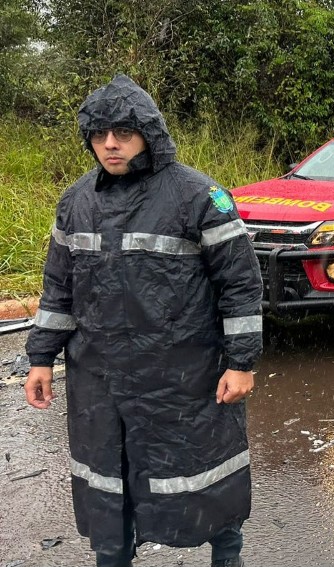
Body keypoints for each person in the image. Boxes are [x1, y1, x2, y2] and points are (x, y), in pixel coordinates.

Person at [23, 75, 263, 567]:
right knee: (108, 483)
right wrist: (41, 357)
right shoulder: (76, 202)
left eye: (123, 133)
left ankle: (227, 559)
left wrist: (241, 362)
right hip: (99, 379)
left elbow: (239, 285)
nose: (110, 144)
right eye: (99, 134)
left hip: (183, 378)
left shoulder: (200, 197)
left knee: (206, 480)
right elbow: (58, 288)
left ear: (148, 134)